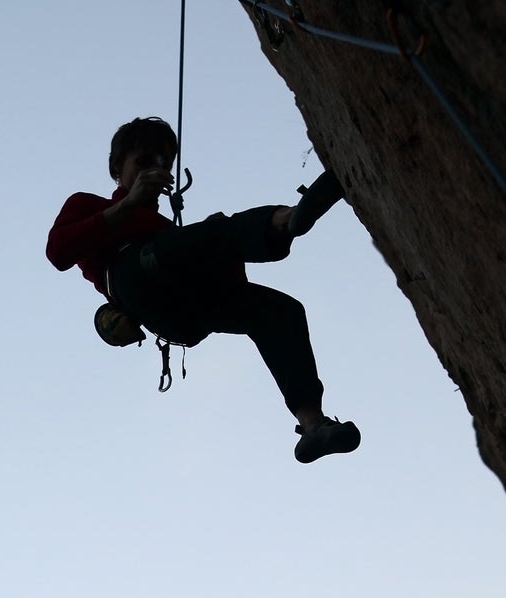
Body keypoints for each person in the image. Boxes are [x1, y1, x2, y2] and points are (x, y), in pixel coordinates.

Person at [46, 116, 360, 463]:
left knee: (281, 311)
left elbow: (226, 282)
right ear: (117, 167)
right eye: (144, 161)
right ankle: (284, 220)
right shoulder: (88, 205)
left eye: (164, 164)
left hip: (186, 309)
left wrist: (218, 246)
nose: (155, 170)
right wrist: (128, 204)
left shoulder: (167, 229)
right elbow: (58, 252)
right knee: (190, 242)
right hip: (136, 275)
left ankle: (313, 425)